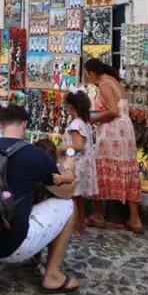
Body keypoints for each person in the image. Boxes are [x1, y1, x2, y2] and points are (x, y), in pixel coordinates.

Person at [0, 105, 80, 293]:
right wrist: (69, 169)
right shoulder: (34, 155)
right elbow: (66, 193)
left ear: (2, 126)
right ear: (24, 125)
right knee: (69, 206)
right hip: (13, 245)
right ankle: (53, 275)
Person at [83, 59, 144, 234]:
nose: (88, 79)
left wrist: (93, 119)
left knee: (99, 169)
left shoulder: (103, 84)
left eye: (87, 76)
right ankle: (135, 219)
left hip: (113, 132)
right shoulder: (114, 80)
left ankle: (98, 215)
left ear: (93, 74)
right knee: (127, 169)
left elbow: (112, 111)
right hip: (125, 131)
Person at [60, 90, 98, 234]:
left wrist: (61, 149)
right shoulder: (85, 122)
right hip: (84, 165)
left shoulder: (76, 124)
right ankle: (81, 224)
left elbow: (77, 146)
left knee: (74, 198)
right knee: (79, 198)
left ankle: (75, 227)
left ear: (71, 106)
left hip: (76, 165)